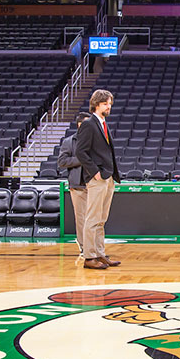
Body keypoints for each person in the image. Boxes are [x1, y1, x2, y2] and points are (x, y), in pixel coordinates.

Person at [75, 90, 122, 270]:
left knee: (102, 219)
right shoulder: (89, 124)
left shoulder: (103, 124)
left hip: (107, 176)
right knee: (92, 219)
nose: (108, 106)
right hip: (97, 178)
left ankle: (100, 254)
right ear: (96, 104)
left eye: (109, 103)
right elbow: (81, 152)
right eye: (105, 104)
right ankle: (89, 257)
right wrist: (94, 171)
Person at [57, 111, 93, 259]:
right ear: (79, 125)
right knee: (81, 218)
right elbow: (62, 162)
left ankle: (95, 248)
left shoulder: (95, 141)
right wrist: (81, 159)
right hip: (77, 184)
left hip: (94, 183)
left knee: (95, 218)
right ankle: (85, 248)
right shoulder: (68, 142)